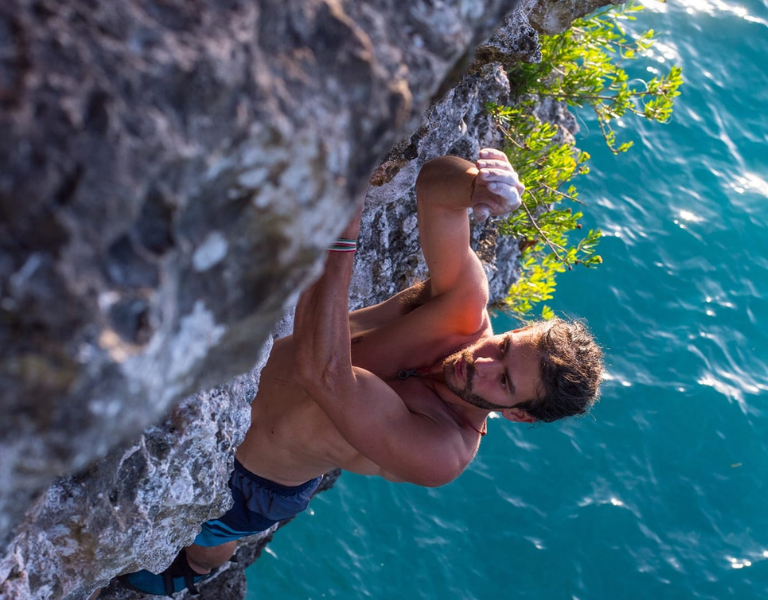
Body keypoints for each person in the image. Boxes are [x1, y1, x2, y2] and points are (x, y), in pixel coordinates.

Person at [122, 148, 603, 596]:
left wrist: (336, 234)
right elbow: (436, 191)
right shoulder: (461, 309)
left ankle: (203, 568)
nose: (481, 360)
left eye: (502, 381)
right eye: (503, 346)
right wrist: (475, 186)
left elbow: (325, 374)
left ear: (518, 416)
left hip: (251, 479)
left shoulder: (442, 452)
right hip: (230, 388)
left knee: (206, 543)